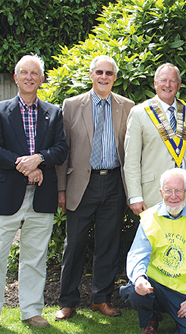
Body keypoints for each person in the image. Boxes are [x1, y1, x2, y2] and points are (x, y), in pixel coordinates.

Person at [0, 54, 68, 331]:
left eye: (34, 73)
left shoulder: (53, 113)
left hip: (41, 197)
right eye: (24, 73)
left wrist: (39, 158)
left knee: (35, 258)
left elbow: (61, 149)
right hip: (7, 196)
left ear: (41, 79)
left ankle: (31, 311)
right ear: (16, 77)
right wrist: (26, 166)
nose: (29, 77)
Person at [55, 55, 135, 320]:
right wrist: (61, 189)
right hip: (82, 184)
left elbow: (132, 151)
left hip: (113, 182)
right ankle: (67, 301)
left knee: (108, 245)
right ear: (91, 75)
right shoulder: (71, 105)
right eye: (99, 72)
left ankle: (101, 299)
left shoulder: (127, 106)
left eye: (109, 73)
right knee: (74, 244)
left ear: (114, 77)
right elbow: (63, 150)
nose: (104, 77)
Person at [120, 168, 186, 334]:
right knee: (133, 291)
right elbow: (137, 254)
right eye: (168, 191)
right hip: (154, 287)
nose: (173, 196)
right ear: (161, 192)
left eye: (178, 191)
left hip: (185, 292)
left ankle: (182, 321)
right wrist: (139, 278)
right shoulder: (149, 217)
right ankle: (150, 318)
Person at [124, 63, 186, 215]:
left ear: (179, 85)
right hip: (153, 194)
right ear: (155, 83)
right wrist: (135, 196)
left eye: (172, 81)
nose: (167, 85)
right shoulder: (138, 113)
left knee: (185, 237)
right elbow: (131, 160)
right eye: (163, 80)